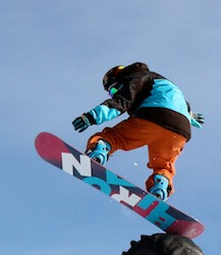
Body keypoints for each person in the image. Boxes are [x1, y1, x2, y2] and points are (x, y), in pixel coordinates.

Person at [72, 63, 203, 200]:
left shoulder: (134, 78)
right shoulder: (161, 81)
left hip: (153, 116)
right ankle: (161, 186)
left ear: (118, 78)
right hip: (180, 129)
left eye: (113, 90)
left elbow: (122, 101)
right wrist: (190, 115)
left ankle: (99, 151)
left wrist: (91, 116)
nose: (114, 94)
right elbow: (178, 103)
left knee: (113, 137)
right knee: (163, 164)